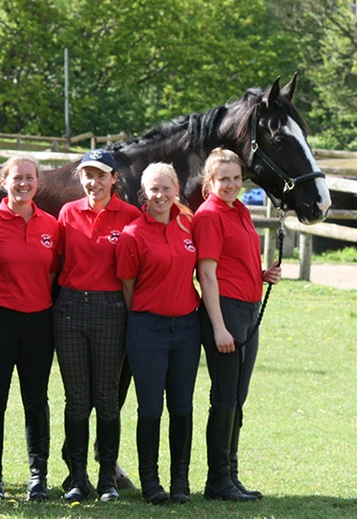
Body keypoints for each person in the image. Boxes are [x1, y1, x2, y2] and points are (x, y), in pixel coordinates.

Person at [0, 156, 59, 501]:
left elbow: (51, 272)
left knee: (37, 401)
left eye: (30, 178)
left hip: (39, 322)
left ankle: (39, 476)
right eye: (16, 177)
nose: (24, 183)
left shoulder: (51, 225)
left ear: (38, 182)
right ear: (4, 181)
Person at [193, 147, 281, 502]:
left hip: (247, 308)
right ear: (209, 181)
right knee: (225, 398)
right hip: (225, 312)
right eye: (223, 179)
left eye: (235, 178)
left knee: (237, 397)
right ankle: (218, 480)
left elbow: (234, 261)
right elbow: (207, 275)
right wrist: (218, 327)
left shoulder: (239, 209)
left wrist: (260, 274)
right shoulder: (210, 215)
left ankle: (231, 475)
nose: (231, 184)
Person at [54, 149, 140, 503]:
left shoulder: (131, 216)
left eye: (101, 175)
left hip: (111, 309)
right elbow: (55, 262)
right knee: (76, 401)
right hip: (71, 308)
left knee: (106, 400)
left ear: (114, 179)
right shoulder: (68, 213)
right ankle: (77, 477)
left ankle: (107, 477)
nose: (94, 182)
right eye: (88, 175)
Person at [116, 162, 201, 505]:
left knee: (181, 407)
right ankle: (151, 482)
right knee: (150, 408)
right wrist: (150, 311)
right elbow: (128, 286)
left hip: (186, 328)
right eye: (154, 189)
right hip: (147, 329)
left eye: (167, 188)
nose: (161, 195)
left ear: (177, 189)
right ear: (144, 194)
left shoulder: (190, 225)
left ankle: (180, 481)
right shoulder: (133, 234)